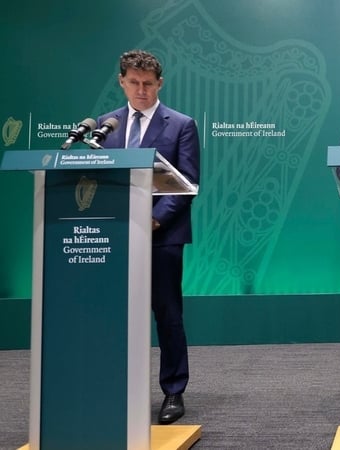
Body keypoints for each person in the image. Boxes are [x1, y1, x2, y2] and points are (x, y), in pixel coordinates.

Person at [97, 49, 200, 425]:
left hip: (162, 236)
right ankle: (112, 385)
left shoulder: (181, 125)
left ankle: (174, 391)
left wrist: (154, 222)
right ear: (122, 82)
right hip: (114, 237)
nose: (141, 90)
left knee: (168, 315)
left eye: (148, 84)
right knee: (112, 312)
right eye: (134, 83)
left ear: (160, 84)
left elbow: (187, 184)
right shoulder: (105, 127)